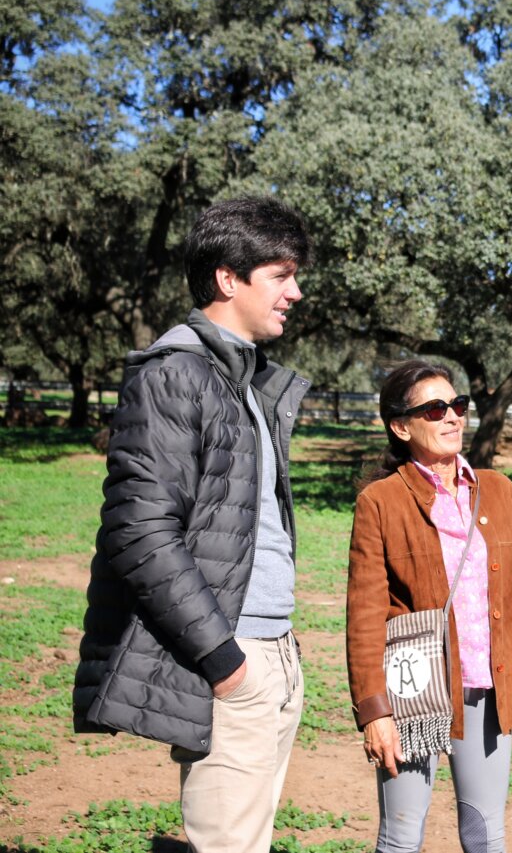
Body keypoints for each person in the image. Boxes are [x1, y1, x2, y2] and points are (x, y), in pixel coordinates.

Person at [73, 196, 312, 852]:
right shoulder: (177, 373)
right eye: (281, 274)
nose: (296, 291)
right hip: (236, 658)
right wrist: (225, 660)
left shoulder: (248, 383)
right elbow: (141, 531)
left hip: (275, 654)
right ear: (227, 278)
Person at [347, 360, 512, 853]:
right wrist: (375, 712)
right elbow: (365, 617)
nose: (453, 417)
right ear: (401, 426)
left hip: (488, 686)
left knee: (485, 834)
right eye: (436, 409)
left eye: (458, 406)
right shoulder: (380, 502)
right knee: (401, 836)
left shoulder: (497, 491)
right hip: (414, 695)